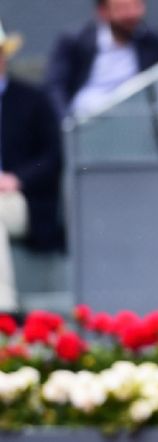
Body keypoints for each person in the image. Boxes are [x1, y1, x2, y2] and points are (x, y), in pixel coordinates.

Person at [0, 20, 64, 313]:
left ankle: (4, 308)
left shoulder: (32, 100)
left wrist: (16, 179)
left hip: (21, 200)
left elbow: (52, 156)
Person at [45, 0, 158, 118]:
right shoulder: (75, 41)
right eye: (122, 8)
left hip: (135, 118)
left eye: (136, 6)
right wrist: (66, 122)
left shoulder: (149, 40)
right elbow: (54, 86)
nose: (131, 14)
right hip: (86, 121)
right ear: (103, 12)